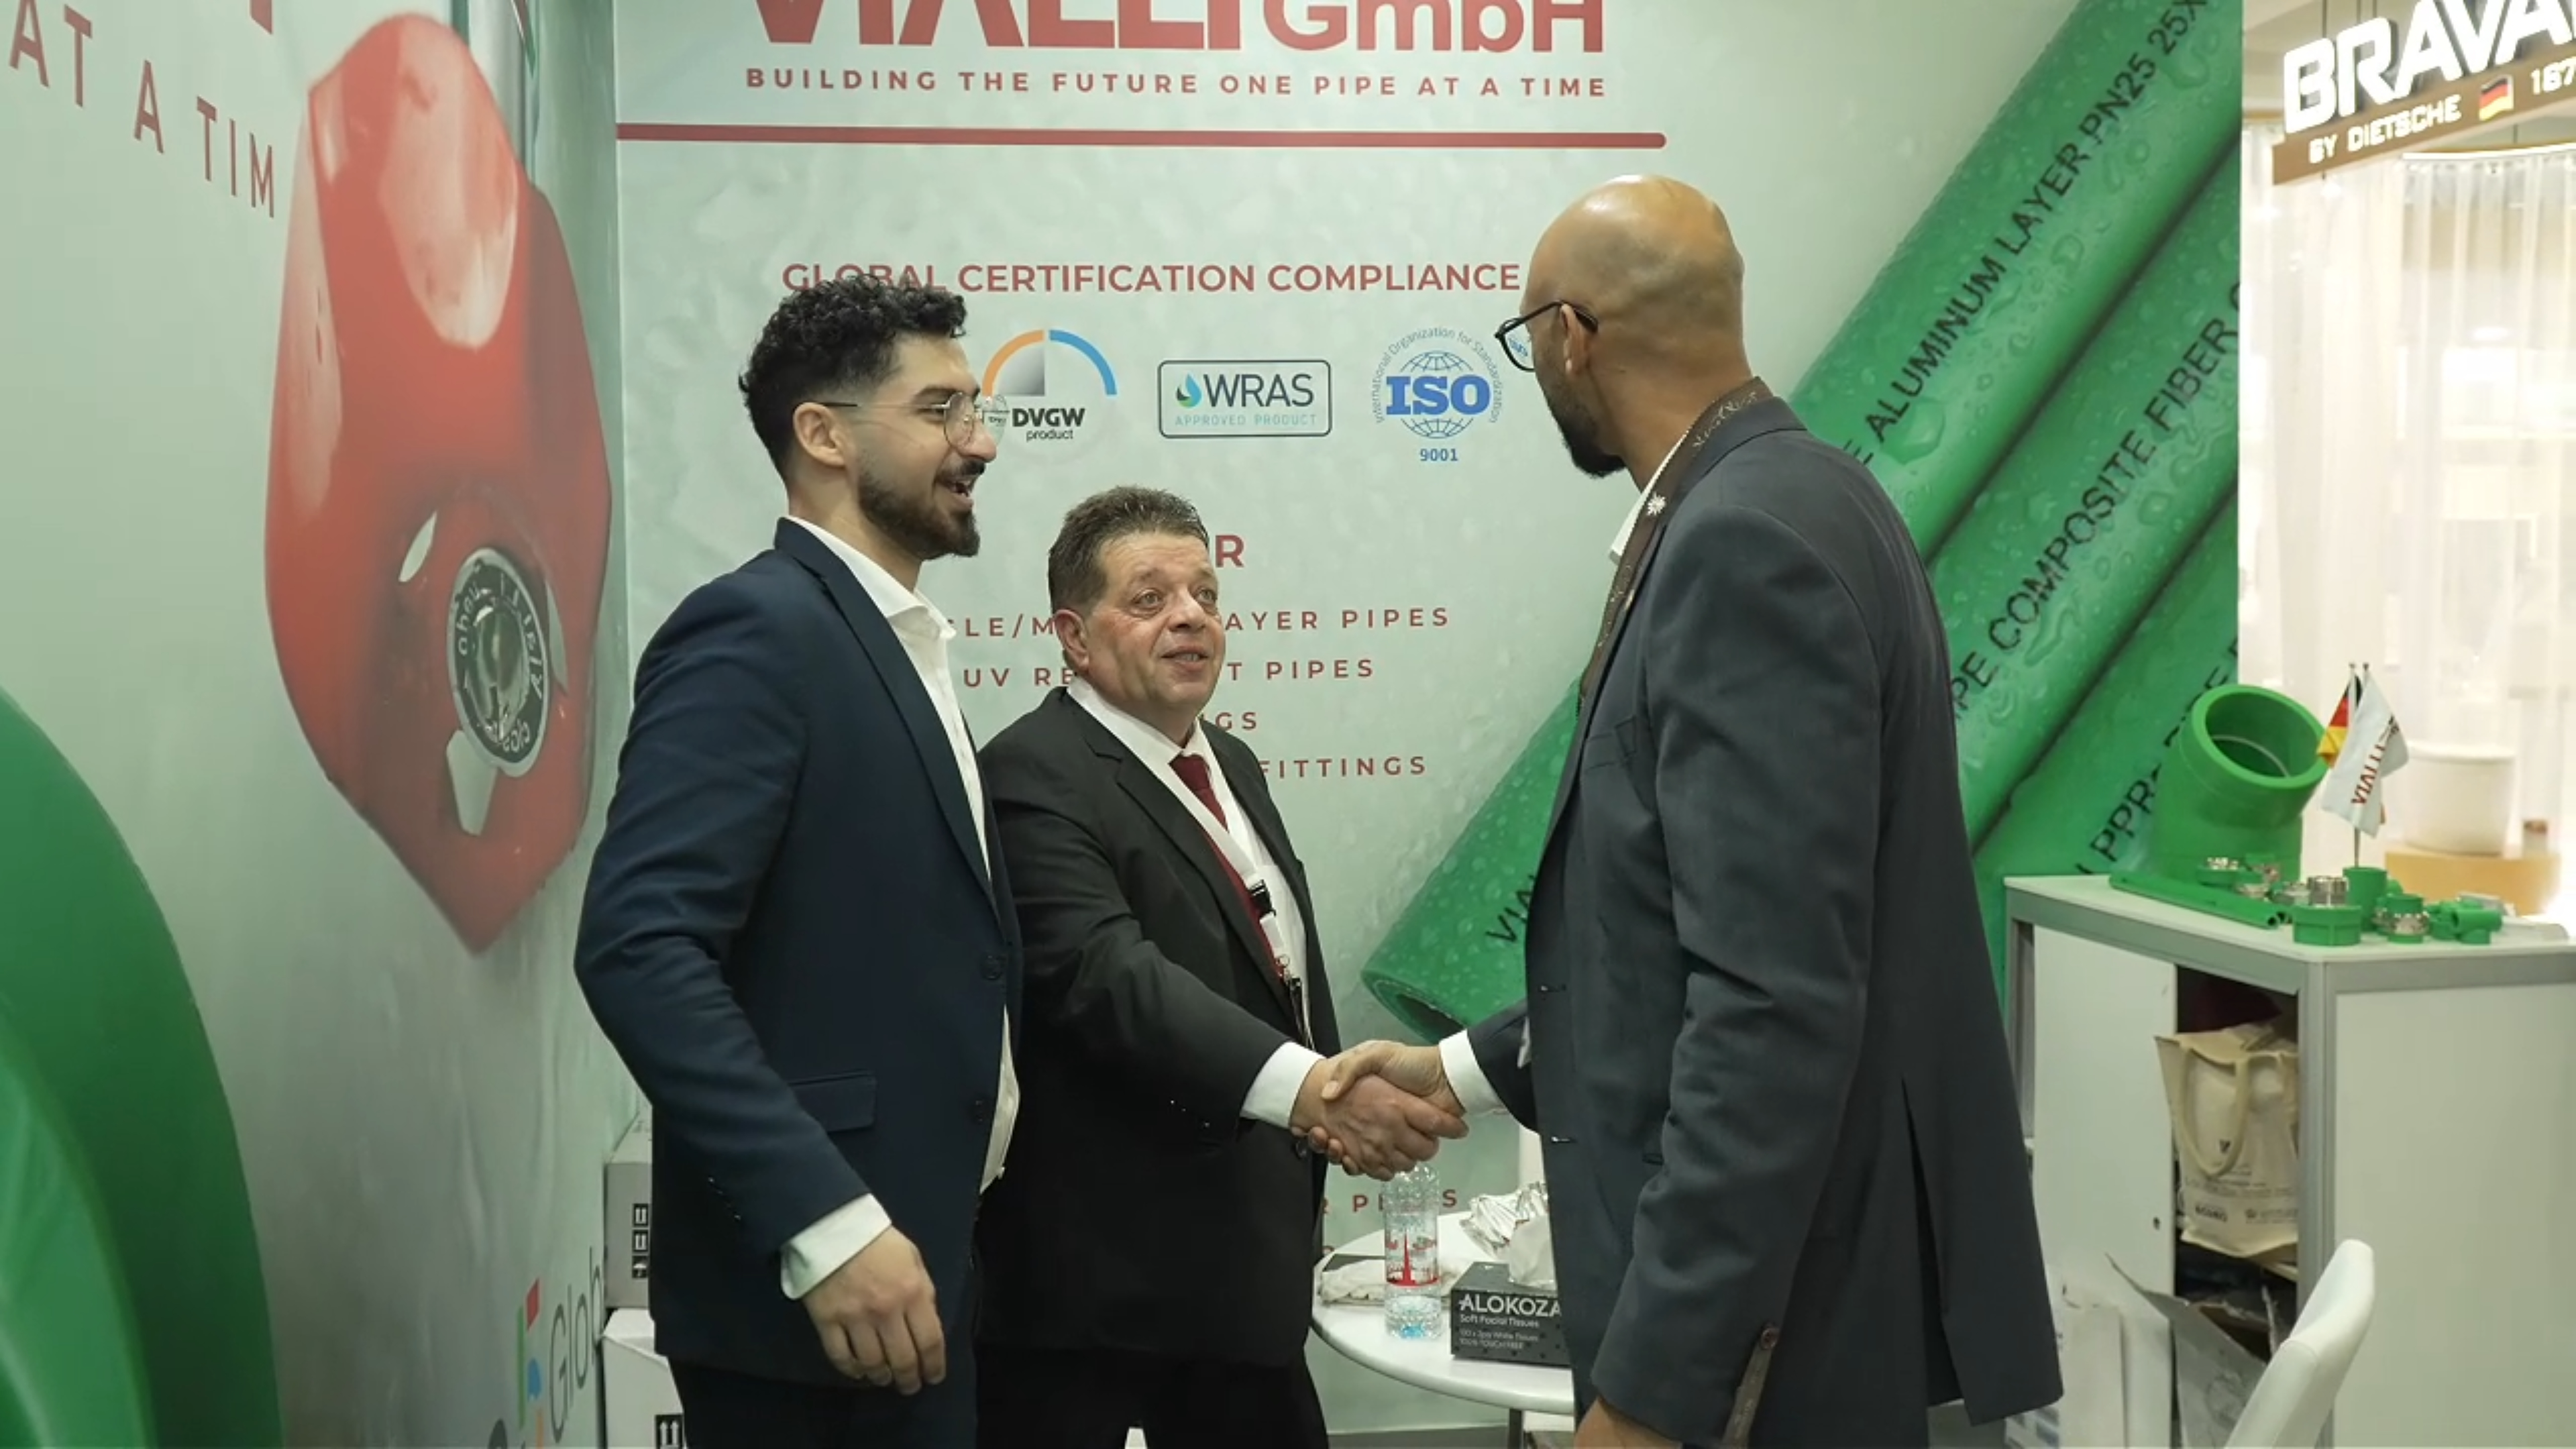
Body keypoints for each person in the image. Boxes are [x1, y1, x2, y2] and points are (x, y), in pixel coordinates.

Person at [1320, 176, 2061, 1448]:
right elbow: (1676, 937)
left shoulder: (1739, 544)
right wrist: (1458, 1069)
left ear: (1572, 337)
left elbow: (1770, 1009)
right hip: (1803, 1288)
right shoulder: (1808, 493)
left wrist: (1653, 1394)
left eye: (1527, 338)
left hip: (1771, 1333)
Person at [574, 274, 1018, 1449]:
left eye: (976, 410)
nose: (979, 443)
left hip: (929, 1273)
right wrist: (826, 1223)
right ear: (823, 435)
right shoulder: (759, 630)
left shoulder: (892, 641)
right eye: (940, 411)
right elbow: (639, 946)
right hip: (821, 1303)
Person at [971, 486, 1466, 1449]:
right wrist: (1316, 1091)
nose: (1191, 617)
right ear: (1073, 637)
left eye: (1205, 594)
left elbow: (1274, 969)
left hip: (1241, 1266)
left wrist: (1322, 1099)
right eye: (1149, 599)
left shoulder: (1229, 759)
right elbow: (1107, 977)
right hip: (1099, 1290)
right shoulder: (1034, 771)